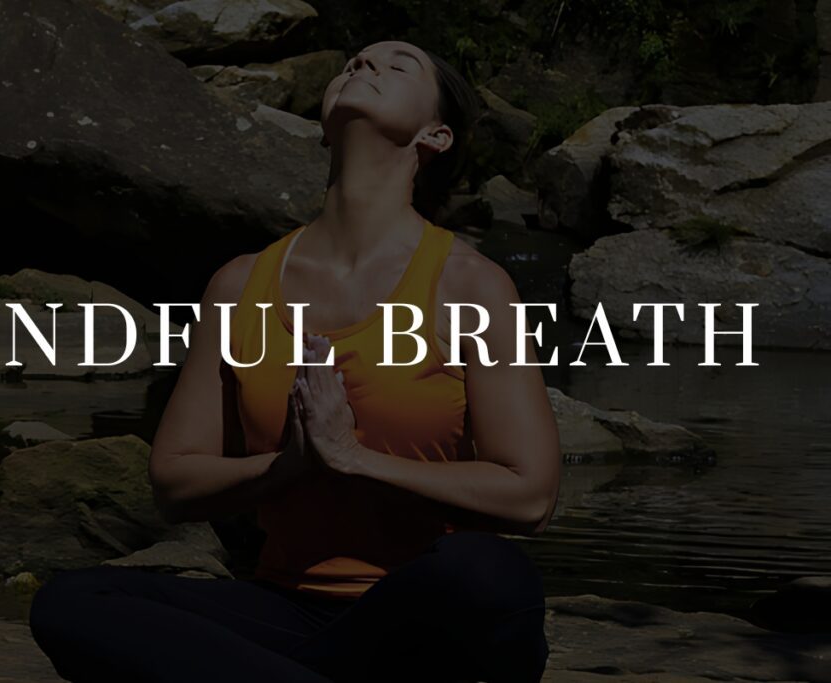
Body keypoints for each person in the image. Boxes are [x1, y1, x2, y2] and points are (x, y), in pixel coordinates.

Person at [29, 39, 561, 683]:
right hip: (289, 610)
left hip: (422, 609)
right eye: (354, 62)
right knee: (73, 601)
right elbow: (174, 481)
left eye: (398, 65)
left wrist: (352, 458)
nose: (364, 65)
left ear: (436, 135)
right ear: (324, 123)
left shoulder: (469, 284)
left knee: (490, 574)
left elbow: (529, 495)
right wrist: (292, 465)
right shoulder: (240, 285)